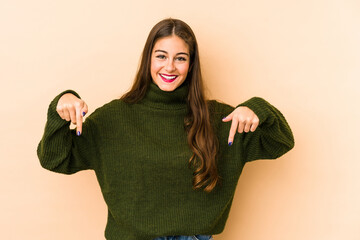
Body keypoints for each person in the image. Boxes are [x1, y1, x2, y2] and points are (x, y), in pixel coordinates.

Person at [37, 18, 294, 240]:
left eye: (180, 58)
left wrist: (258, 108)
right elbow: (54, 159)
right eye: (161, 56)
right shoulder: (113, 118)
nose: (169, 67)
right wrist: (60, 105)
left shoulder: (221, 119)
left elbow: (280, 141)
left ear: (191, 65)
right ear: (148, 59)